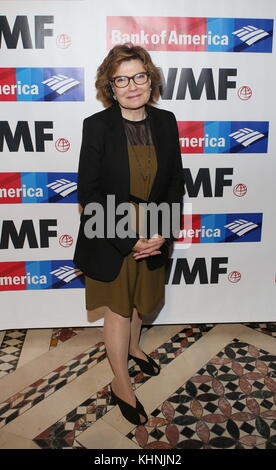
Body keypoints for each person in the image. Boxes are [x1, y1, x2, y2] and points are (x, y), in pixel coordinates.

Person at [73, 43, 185, 426]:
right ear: (111, 86)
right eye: (122, 79)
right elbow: (88, 193)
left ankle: (136, 347)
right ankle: (121, 382)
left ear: (150, 79)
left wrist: (163, 233)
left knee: (143, 301)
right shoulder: (97, 126)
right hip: (111, 230)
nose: (132, 85)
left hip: (155, 225)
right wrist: (127, 237)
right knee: (119, 309)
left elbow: (174, 183)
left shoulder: (166, 121)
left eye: (139, 76)